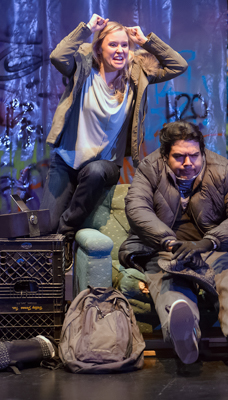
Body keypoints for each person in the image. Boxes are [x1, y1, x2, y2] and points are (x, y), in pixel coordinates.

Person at [118, 121, 228, 372]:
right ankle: (185, 337)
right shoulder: (149, 169)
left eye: (194, 155)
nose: (188, 163)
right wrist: (169, 242)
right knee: (170, 282)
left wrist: (208, 242)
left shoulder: (221, 168)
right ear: (165, 155)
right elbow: (137, 208)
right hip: (166, 250)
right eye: (179, 157)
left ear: (202, 151)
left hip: (214, 248)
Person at [41, 14, 188, 263]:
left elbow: (178, 65)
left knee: (95, 171)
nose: (120, 50)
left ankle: (67, 233)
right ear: (99, 48)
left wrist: (146, 41)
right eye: (113, 44)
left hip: (105, 165)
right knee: (45, 227)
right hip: (67, 160)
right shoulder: (83, 67)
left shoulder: (137, 74)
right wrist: (87, 28)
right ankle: (46, 278)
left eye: (124, 45)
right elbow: (58, 56)